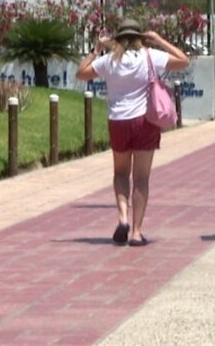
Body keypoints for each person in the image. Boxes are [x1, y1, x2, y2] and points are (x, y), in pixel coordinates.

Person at [76, 19, 189, 247]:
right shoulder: (150, 56)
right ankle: (137, 232)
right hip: (145, 121)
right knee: (141, 178)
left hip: (118, 121)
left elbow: (81, 73)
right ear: (140, 38)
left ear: (117, 39)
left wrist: (96, 50)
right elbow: (183, 61)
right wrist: (158, 40)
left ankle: (123, 218)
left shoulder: (109, 61)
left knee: (120, 173)